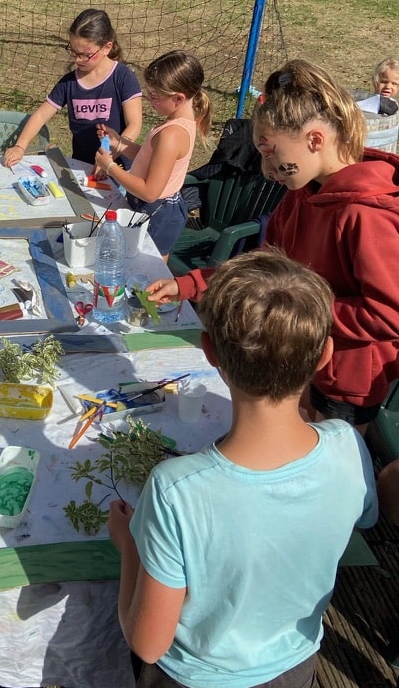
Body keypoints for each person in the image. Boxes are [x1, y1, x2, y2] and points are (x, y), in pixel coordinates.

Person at [108, 249, 377, 688]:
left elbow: (146, 641)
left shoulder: (176, 488)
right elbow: (360, 519)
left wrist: (128, 548)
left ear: (209, 351)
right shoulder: (347, 443)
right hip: (295, 671)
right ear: (325, 355)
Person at [148, 58, 399, 426]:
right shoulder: (301, 193)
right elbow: (266, 272)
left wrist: (297, 308)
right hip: (295, 358)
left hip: (342, 382)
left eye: (270, 152)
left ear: (315, 140)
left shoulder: (366, 214)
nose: (267, 170)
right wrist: (192, 283)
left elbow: (388, 314)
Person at [94, 49, 211, 257]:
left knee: (148, 270)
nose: (149, 99)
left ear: (178, 98)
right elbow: (149, 159)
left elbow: (149, 192)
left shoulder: (172, 135)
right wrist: (119, 143)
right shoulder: (175, 122)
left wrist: (109, 166)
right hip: (153, 207)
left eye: (155, 95)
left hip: (157, 213)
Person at [2, 8, 143, 168]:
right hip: (81, 167)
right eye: (74, 52)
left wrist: (110, 158)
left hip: (118, 167)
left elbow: (135, 124)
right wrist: (20, 146)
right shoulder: (69, 83)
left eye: (85, 54)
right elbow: (41, 116)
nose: (78, 59)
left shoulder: (123, 77)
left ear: (106, 47)